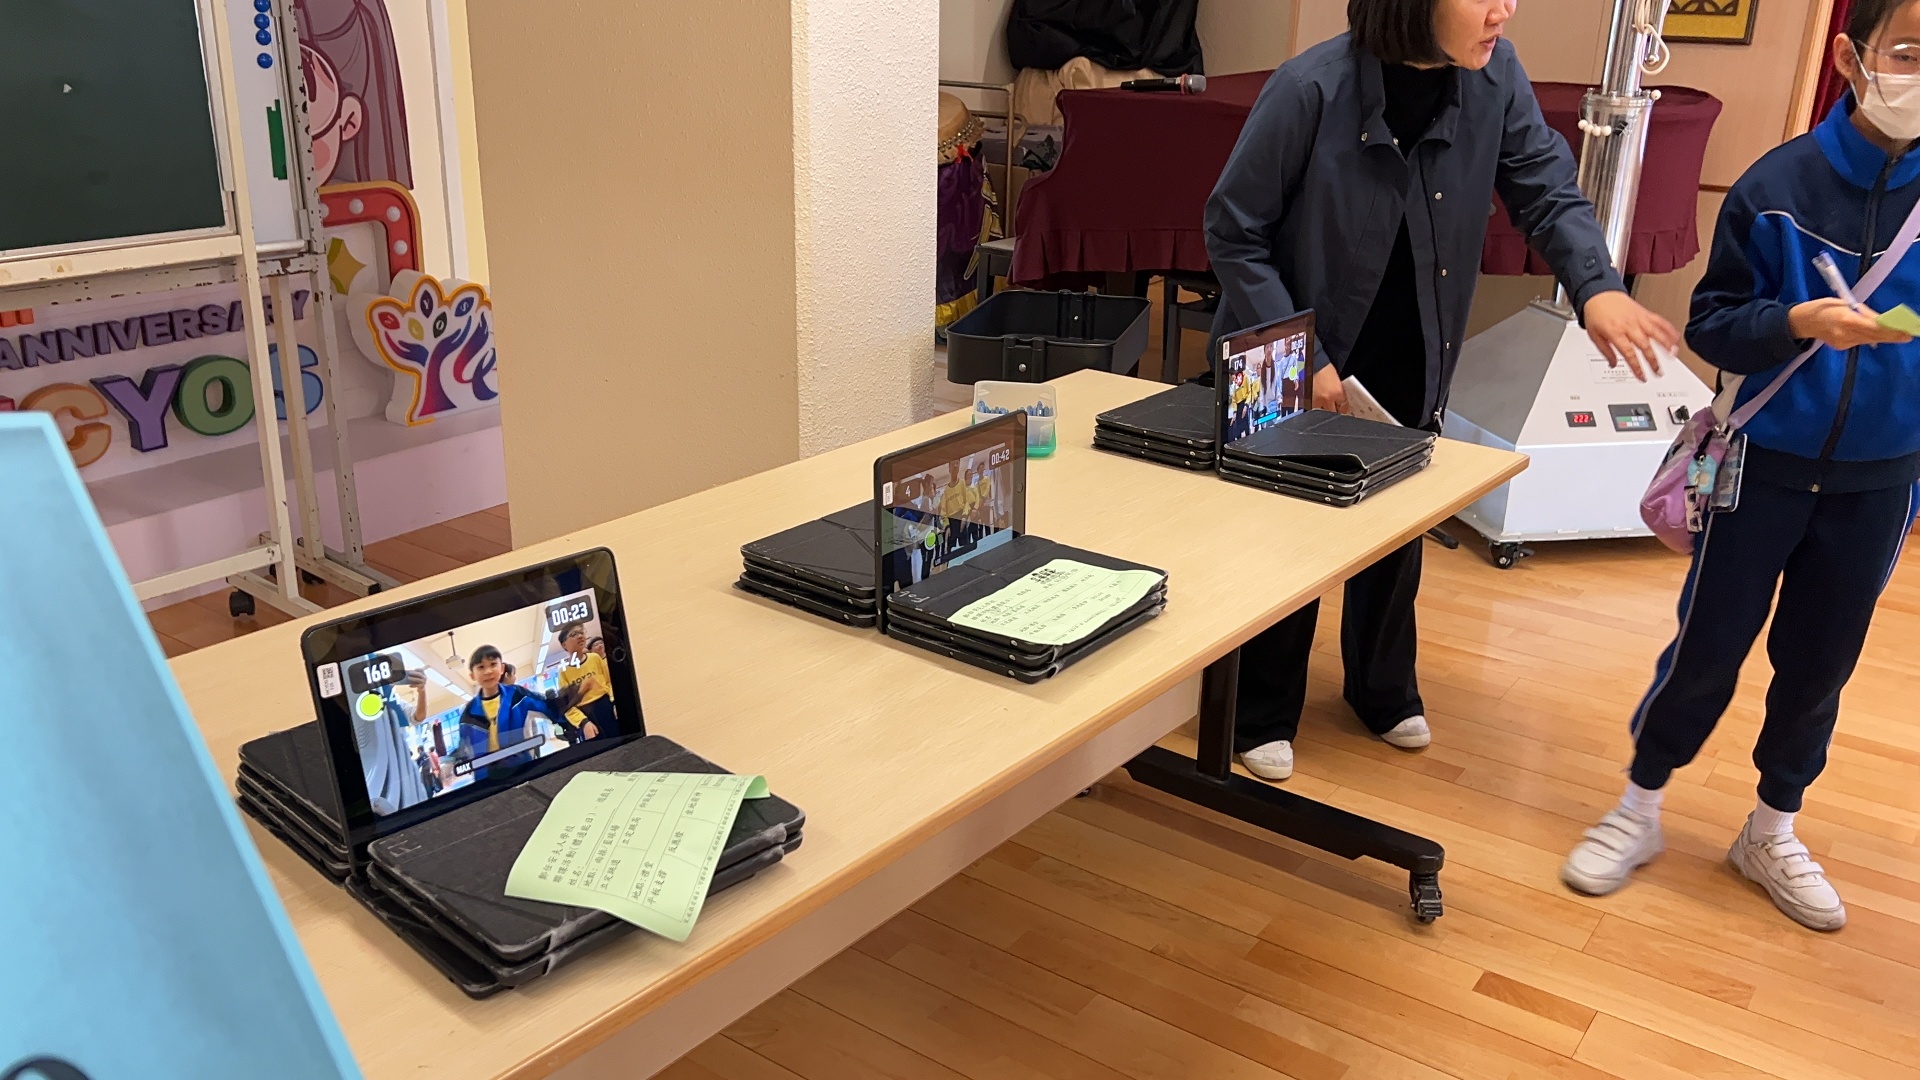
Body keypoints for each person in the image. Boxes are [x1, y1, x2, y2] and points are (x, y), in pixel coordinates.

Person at [1205, 0, 1679, 782]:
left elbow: (1547, 191)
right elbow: (1233, 230)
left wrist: (1595, 286)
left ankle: (1380, 688)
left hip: (1415, 342)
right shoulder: (1309, 88)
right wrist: (1304, 355)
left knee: (1398, 519)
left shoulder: (1496, 77)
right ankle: (1259, 708)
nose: (1505, 10)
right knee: (1287, 529)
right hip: (1292, 350)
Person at [1561, 0, 1920, 931]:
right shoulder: (1777, 185)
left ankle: (1772, 828)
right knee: (1707, 647)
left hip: (1882, 477)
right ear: (1852, 57)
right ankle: (1639, 805)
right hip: (1760, 464)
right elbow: (1713, 326)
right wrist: (1796, 322)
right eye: (1909, 51)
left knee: (1821, 663)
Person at [453, 645, 562, 782]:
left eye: (493, 664)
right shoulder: (468, 714)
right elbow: (463, 746)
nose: (488, 671)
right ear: (472, 675)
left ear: (502, 668)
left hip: (521, 768)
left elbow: (549, 708)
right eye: (481, 667)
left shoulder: (518, 696)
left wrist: (573, 718)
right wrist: (455, 761)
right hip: (486, 778)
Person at [555, 621, 615, 743]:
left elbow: (609, 683)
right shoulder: (564, 671)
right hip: (587, 716)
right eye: (574, 634)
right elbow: (567, 706)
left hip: (607, 707)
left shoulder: (595, 658)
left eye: (581, 632)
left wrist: (614, 703)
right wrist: (583, 722)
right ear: (564, 645)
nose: (580, 636)